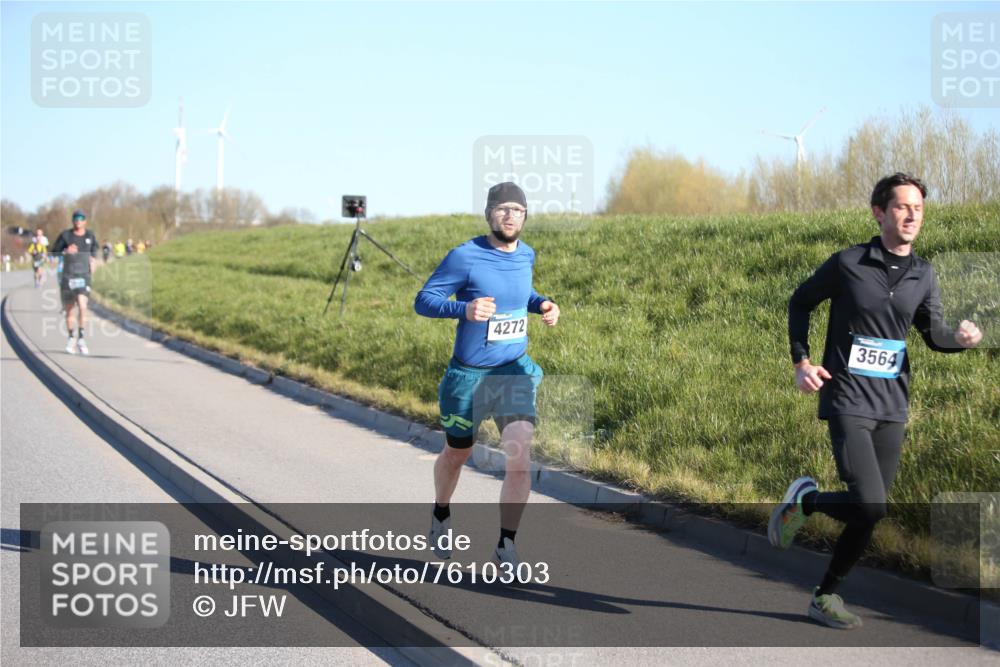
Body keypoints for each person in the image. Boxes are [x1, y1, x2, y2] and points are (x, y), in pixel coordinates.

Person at [770, 173, 983, 629]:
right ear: (879, 212)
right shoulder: (848, 263)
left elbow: (933, 334)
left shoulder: (924, 274)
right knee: (869, 505)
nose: (911, 215)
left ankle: (824, 594)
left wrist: (960, 339)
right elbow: (800, 302)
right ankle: (807, 501)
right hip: (847, 396)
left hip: (892, 404)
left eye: (918, 208)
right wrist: (801, 362)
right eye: (902, 207)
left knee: (870, 513)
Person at [415, 182, 560, 566]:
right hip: (469, 377)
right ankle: (441, 512)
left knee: (519, 455)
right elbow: (424, 300)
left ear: (525, 216)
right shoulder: (465, 256)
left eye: (518, 209)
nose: (510, 215)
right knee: (457, 454)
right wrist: (463, 309)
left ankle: (505, 545)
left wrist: (543, 304)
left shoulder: (526, 254)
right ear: (488, 214)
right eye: (502, 208)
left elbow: (521, 294)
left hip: (513, 373)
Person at [49, 210, 99, 355]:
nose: (78, 220)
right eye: (76, 218)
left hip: (84, 276)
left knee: (83, 306)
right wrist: (65, 251)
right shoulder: (66, 235)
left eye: (81, 218)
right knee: (70, 309)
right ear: (73, 220)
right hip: (68, 276)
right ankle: (71, 337)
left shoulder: (90, 236)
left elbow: (94, 251)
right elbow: (53, 252)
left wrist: (93, 260)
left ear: (85, 221)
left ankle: (81, 338)